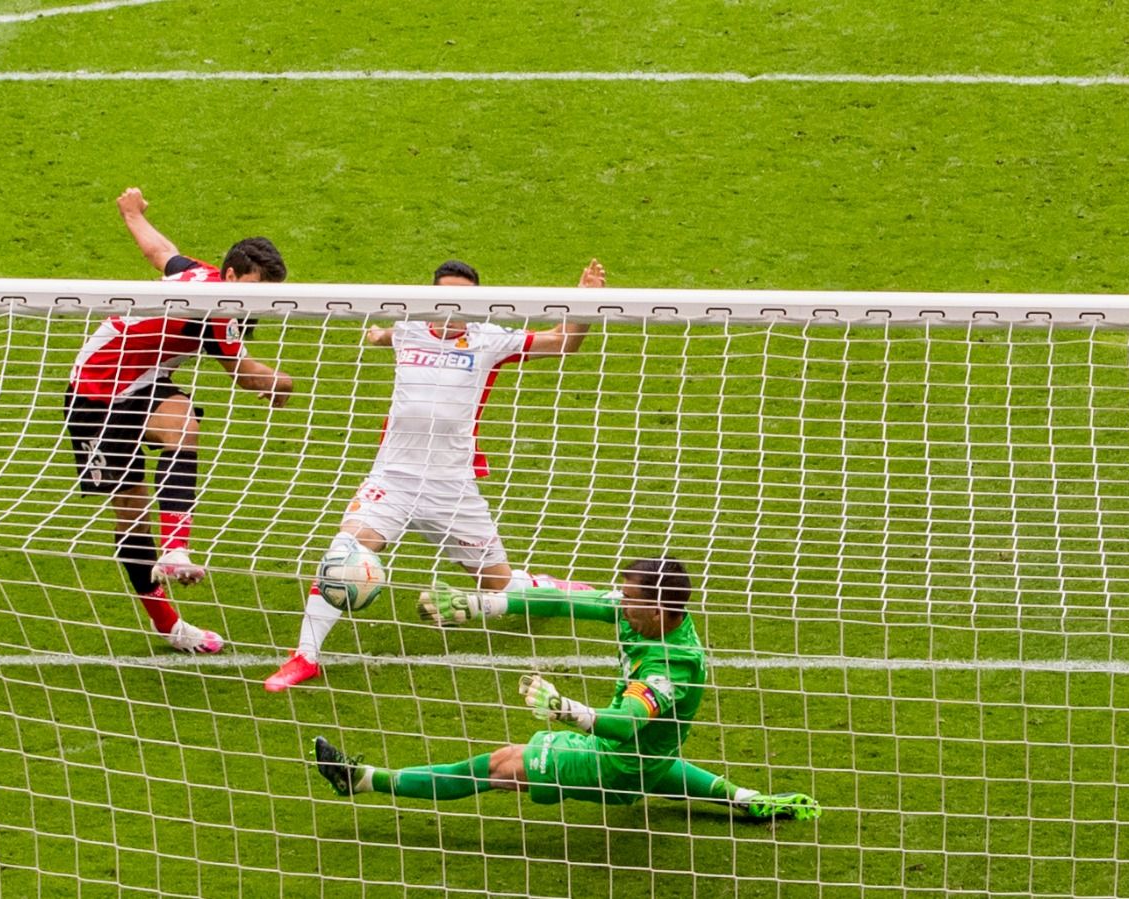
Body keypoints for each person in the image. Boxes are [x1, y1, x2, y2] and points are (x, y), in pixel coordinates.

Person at [262, 258, 606, 691]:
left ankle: (551, 591)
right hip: (394, 478)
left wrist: (585, 302)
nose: (452, 308)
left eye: (463, 299)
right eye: (444, 297)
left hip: (451, 487)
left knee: (497, 583)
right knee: (342, 554)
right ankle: (304, 657)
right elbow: (391, 336)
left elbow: (564, 343)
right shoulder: (408, 327)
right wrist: (378, 336)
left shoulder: (491, 339)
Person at [311, 559, 821, 821]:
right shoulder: (643, 617)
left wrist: (566, 709)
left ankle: (363, 780)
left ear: (662, 610)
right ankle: (747, 799)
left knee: (498, 766)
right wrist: (482, 606)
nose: (621, 604)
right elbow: (559, 600)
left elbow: (624, 725)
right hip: (648, 757)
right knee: (656, 763)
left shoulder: (671, 666)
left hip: (613, 762)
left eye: (632, 600)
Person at [64, 187, 293, 653]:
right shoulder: (218, 308)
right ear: (231, 275)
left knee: (183, 423)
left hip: (143, 382)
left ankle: (175, 549)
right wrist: (281, 384)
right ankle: (170, 625)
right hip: (92, 392)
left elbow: (161, 252)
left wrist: (130, 212)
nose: (256, 305)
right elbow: (245, 377)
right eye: (254, 291)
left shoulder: (199, 275)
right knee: (131, 516)